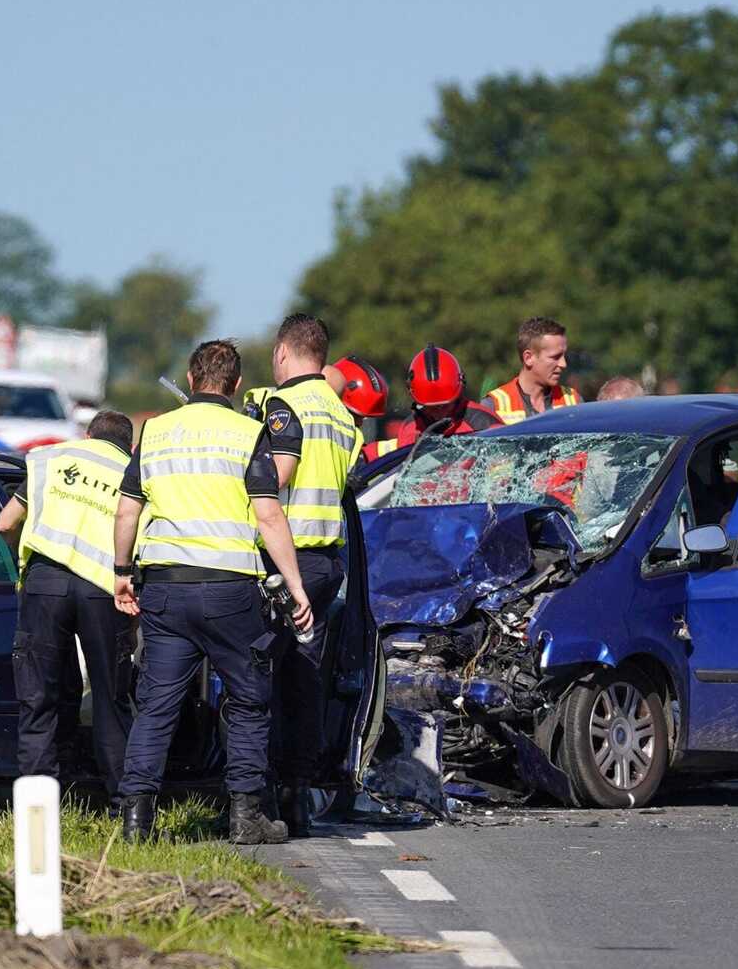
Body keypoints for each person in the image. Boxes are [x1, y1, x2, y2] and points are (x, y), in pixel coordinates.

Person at [111, 339, 312, 845]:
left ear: (191, 375)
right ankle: (246, 817)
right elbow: (268, 514)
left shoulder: (154, 431)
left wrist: (120, 570)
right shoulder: (249, 433)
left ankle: (136, 822)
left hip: (166, 589)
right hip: (228, 591)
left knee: (156, 705)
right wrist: (295, 585)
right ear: (237, 384)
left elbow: (128, 509)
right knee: (247, 700)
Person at [0, 410, 137, 805]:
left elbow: (5, 524)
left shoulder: (51, 459)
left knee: (38, 696)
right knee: (111, 698)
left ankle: (38, 804)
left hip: (46, 583)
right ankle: (123, 806)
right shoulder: (132, 470)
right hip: (102, 589)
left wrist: (24, 559)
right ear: (129, 445)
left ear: (88, 435)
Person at [256, 314, 361, 835]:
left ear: (282, 352)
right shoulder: (344, 417)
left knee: (254, 676)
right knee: (303, 682)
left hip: (284, 562)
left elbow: (269, 484)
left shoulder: (283, 407)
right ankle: (297, 800)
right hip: (326, 566)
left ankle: (254, 796)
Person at [359, 346, 502, 462]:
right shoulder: (411, 427)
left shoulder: (483, 422)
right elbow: (391, 451)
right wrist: (360, 458)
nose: (439, 413)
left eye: (444, 405)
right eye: (432, 407)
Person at [483, 316, 581, 422]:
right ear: (528, 358)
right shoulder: (494, 406)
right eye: (555, 357)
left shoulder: (574, 401)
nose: (563, 364)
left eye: (564, 356)